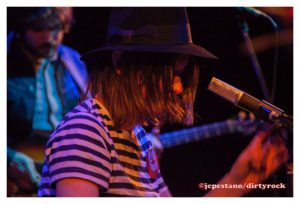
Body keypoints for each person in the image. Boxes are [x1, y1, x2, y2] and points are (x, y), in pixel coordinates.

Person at [37, 8, 288, 197]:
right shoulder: (86, 130)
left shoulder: (138, 137)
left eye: (181, 75)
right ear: (120, 63)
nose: (178, 87)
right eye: (171, 74)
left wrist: (241, 178)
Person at [7, 7, 87, 196]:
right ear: (22, 29)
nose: (49, 37)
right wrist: (7, 158)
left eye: (56, 28)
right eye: (38, 29)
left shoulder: (74, 60)